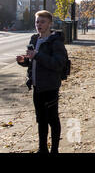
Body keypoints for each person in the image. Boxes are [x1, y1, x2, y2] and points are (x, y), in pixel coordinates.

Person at [16, 10, 68, 154]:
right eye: (37, 22)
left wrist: (37, 55)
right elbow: (32, 62)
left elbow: (58, 64)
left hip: (50, 86)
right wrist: (24, 61)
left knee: (52, 119)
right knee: (41, 119)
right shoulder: (34, 39)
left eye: (42, 22)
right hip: (36, 86)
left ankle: (55, 150)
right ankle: (42, 149)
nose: (39, 24)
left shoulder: (55, 41)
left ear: (50, 23)